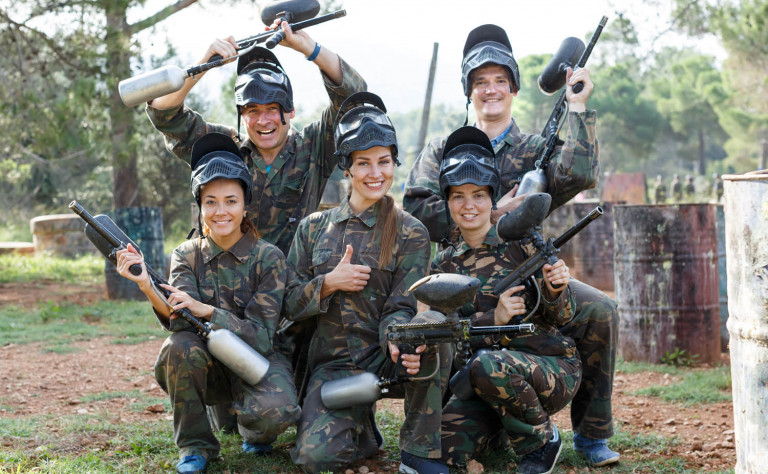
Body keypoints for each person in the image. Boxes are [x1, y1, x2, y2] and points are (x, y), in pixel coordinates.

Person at [403, 24, 619, 466]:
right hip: (462, 272)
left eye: (500, 80)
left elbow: (579, 175)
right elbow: (417, 207)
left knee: (600, 309)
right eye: (480, 81)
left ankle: (591, 435)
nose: (491, 89)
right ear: (469, 91)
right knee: (443, 331)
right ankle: (481, 419)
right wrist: (491, 215)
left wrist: (577, 106)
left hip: (526, 270)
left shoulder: (535, 148)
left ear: (514, 88)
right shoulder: (444, 149)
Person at [283, 92, 451, 474]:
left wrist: (396, 339)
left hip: (386, 358)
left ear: (394, 163)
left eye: (384, 161)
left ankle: (419, 453)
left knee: (430, 330)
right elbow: (289, 303)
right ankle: (360, 429)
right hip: (334, 366)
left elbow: (402, 306)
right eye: (363, 163)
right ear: (347, 168)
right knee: (315, 459)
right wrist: (327, 283)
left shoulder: (411, 232)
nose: (376, 173)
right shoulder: (313, 229)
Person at [115, 133, 300, 474]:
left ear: (245, 205)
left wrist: (210, 311)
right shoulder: (186, 255)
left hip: (256, 359)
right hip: (209, 362)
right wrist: (145, 285)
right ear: (200, 207)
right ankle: (195, 446)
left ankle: (250, 426)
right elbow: (179, 319)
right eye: (211, 202)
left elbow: (261, 338)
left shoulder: (269, 257)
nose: (221, 211)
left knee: (275, 413)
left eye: (231, 201)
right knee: (178, 347)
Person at [146, 21, 366, 255]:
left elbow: (354, 96)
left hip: (293, 276)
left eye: (272, 108)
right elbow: (164, 114)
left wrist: (308, 47)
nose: (263, 120)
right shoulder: (222, 148)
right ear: (241, 115)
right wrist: (203, 65)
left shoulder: (314, 147)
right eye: (252, 110)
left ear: (291, 110)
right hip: (226, 275)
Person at [434, 127, 581, 474]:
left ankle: (542, 441)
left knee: (489, 365)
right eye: (458, 196)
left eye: (478, 195)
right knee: (442, 449)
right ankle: (502, 428)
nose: (469, 205)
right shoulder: (443, 266)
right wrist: (494, 319)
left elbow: (564, 317)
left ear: (492, 200)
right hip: (483, 382)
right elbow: (445, 333)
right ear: (448, 202)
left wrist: (555, 288)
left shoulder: (521, 244)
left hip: (549, 369)